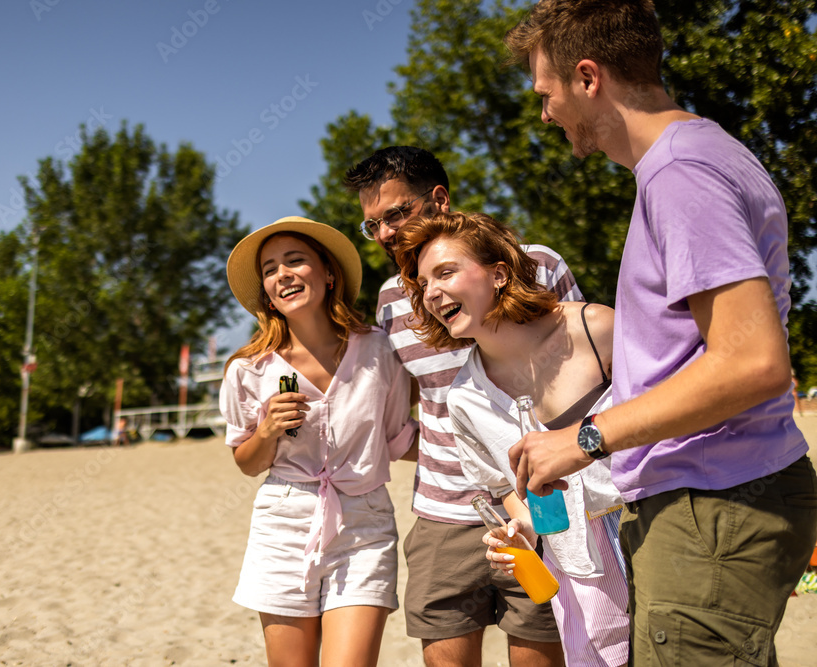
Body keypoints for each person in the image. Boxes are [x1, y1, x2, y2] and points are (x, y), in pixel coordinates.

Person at [503, 2, 817, 664]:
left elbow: (753, 361)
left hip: (710, 502)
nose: (544, 114)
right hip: (725, 496)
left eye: (546, 93)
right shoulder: (703, 155)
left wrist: (585, 439)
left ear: (588, 77)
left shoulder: (681, 173)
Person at [345, 146, 581, 667]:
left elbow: (585, 381)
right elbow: (398, 413)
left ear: (439, 200)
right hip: (443, 519)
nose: (383, 233)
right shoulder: (389, 302)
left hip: (543, 506)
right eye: (371, 225)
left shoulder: (535, 264)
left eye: (395, 214)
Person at [394, 210, 628, 667]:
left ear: (499, 274)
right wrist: (519, 529)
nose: (433, 292)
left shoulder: (596, 329)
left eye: (446, 272)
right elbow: (505, 490)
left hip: (653, 530)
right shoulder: (462, 398)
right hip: (578, 568)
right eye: (424, 284)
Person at [219, 216, 417, 666]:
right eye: (270, 269)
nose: (281, 274)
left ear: (329, 274)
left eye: (295, 261)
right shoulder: (248, 370)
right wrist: (267, 431)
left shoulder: (379, 351)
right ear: (266, 291)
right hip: (282, 523)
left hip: (365, 524)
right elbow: (247, 464)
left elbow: (395, 440)